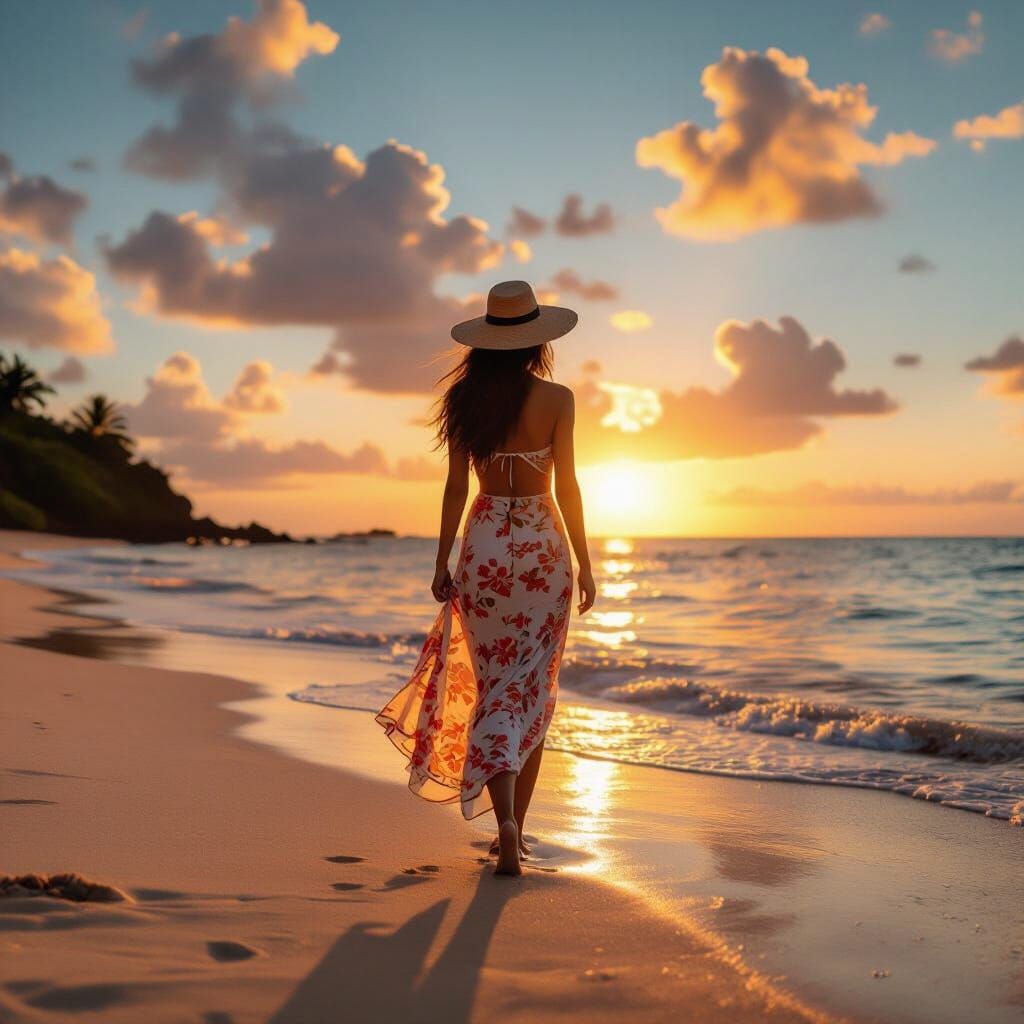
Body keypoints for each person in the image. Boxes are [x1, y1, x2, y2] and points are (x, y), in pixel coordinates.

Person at [375, 280, 596, 876]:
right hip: (544, 548)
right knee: (534, 691)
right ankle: (515, 832)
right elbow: (568, 485)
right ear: (535, 343)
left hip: (486, 545)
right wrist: (585, 560)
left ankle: (502, 822)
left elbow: (455, 487)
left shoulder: (463, 401)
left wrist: (441, 560)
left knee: (496, 684)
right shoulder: (559, 399)